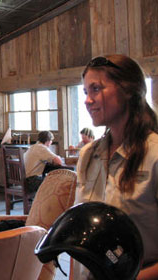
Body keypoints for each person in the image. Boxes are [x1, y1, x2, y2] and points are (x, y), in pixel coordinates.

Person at [73, 54, 158, 279]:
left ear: (128, 90)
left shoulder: (154, 155)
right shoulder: (88, 155)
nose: (87, 100)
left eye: (96, 89)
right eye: (85, 92)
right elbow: (77, 235)